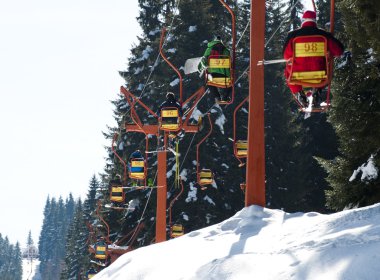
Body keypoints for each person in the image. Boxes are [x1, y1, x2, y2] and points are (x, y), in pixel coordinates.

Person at [283, 10, 344, 107]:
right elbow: (339, 51)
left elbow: (286, 56)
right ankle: (317, 91)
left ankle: (299, 93)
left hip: (297, 74)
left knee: (288, 71)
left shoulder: (293, 36)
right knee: (326, 66)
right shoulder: (323, 35)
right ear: (315, 21)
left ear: (303, 20)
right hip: (319, 75)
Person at [198, 35, 232, 102]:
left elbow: (203, 61)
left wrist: (200, 68)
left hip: (213, 76)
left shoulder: (208, 50)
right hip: (225, 76)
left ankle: (217, 97)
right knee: (230, 83)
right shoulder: (226, 50)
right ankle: (225, 97)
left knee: (209, 82)